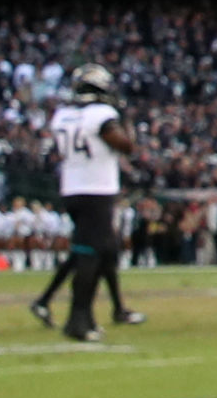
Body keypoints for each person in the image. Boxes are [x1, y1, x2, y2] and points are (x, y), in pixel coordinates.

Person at [38, 65, 140, 340]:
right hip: (96, 190)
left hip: (72, 187)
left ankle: (91, 316)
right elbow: (126, 145)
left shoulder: (62, 115)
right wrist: (127, 120)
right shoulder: (102, 115)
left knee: (103, 251)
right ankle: (77, 320)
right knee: (89, 256)